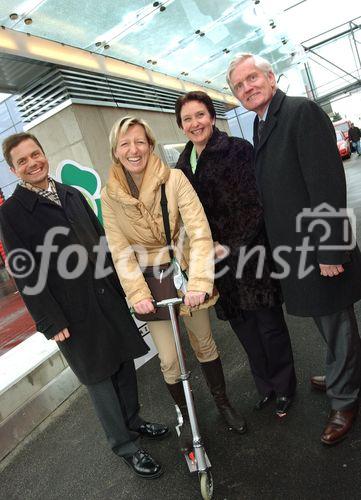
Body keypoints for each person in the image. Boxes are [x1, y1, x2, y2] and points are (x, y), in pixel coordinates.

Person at [0, 132, 168, 479]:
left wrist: (124, 287)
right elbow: (24, 272)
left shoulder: (70, 193)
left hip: (105, 296)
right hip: (70, 312)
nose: (33, 163)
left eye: (36, 154)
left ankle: (133, 423)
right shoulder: (13, 213)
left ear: (44, 153)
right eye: (23, 161)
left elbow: (102, 242)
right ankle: (124, 445)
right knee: (99, 377)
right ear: (14, 170)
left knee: (122, 363)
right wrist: (49, 320)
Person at [227, 53, 361, 445]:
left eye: (252, 78)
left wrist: (332, 250)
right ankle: (346, 373)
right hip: (297, 251)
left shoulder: (301, 113)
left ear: (270, 77)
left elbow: (327, 185)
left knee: (336, 323)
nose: (247, 88)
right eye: (239, 86)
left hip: (320, 248)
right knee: (327, 320)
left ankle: (345, 399)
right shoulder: (262, 123)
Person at [101, 115, 246, 454]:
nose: (134, 150)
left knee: (204, 343)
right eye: (125, 144)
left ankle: (222, 402)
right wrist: (136, 293)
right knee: (168, 360)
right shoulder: (110, 197)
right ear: (116, 151)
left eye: (140, 141)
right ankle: (186, 413)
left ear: (150, 145)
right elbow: (120, 250)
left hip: (186, 270)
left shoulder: (175, 178)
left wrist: (199, 281)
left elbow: (198, 230)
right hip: (151, 283)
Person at [175, 91, 296, 417]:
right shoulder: (182, 166)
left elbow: (256, 205)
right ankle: (266, 388)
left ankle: (285, 388)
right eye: (187, 119)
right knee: (245, 329)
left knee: (269, 326)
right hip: (217, 266)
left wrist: (228, 244)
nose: (194, 123)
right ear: (181, 126)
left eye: (200, 115)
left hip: (250, 255)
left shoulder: (238, 151)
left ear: (212, 118)